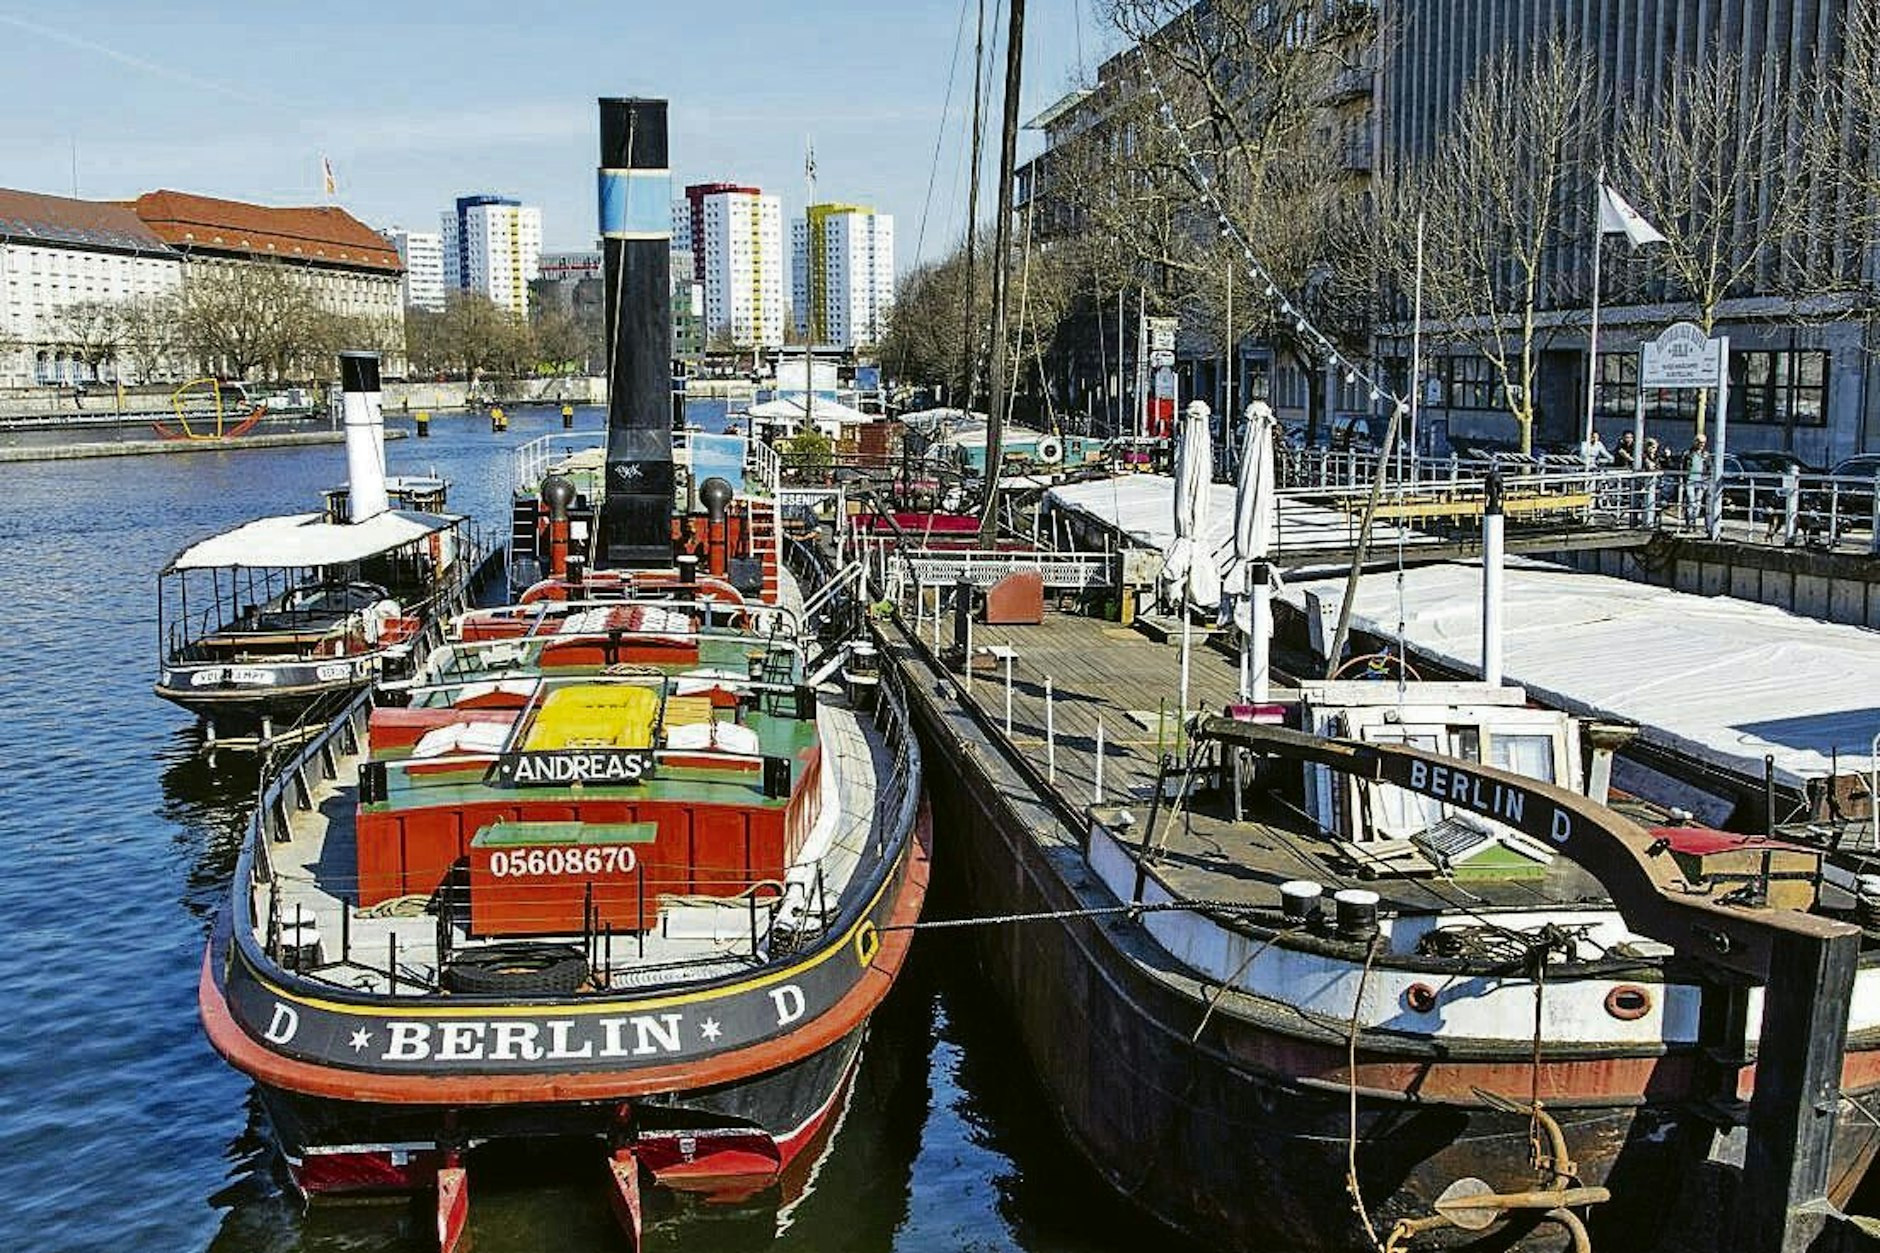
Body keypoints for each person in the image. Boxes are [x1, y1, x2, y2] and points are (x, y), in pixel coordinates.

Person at [1682, 433, 1710, 531]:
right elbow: (1683, 467)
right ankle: (1689, 524)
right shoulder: (1688, 453)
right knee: (1691, 502)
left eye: (1703, 443)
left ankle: (1693, 523)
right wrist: (1683, 480)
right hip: (1690, 480)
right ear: (1695, 442)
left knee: (1698, 504)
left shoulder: (1706, 455)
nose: (1702, 444)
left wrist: (1707, 481)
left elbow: (1709, 468)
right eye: (1700, 442)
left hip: (1701, 481)